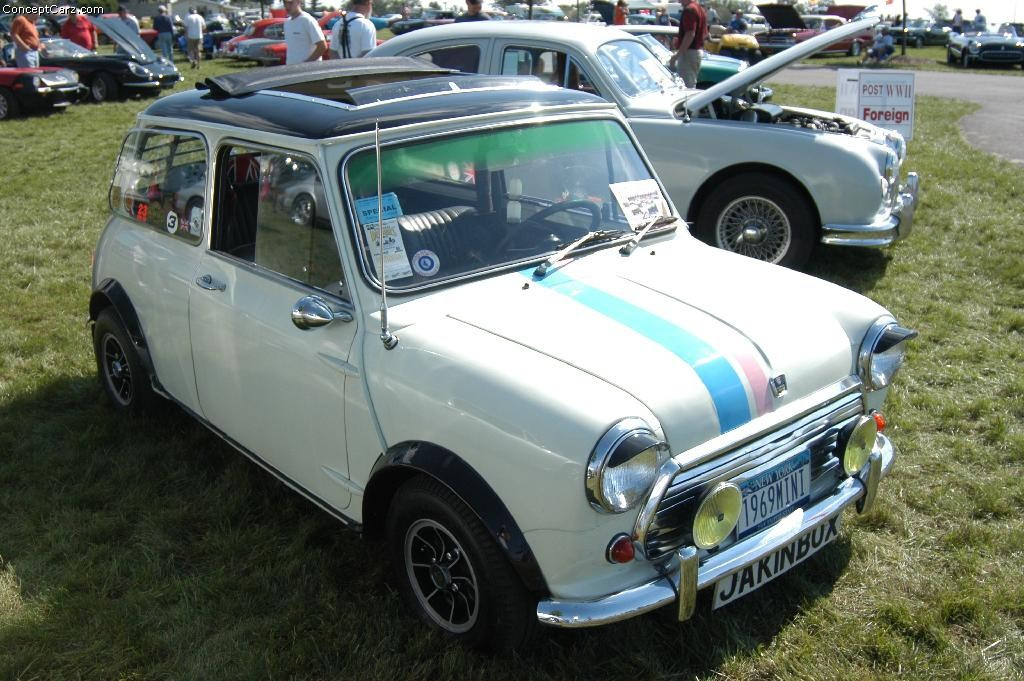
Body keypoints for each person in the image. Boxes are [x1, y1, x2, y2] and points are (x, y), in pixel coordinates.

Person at [672, 0, 707, 88]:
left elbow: (690, 34)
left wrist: (677, 55)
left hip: (689, 52)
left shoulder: (690, 10)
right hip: (696, 51)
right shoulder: (700, 9)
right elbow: (705, 34)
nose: (679, 2)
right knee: (690, 84)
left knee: (686, 87)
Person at [284, 0, 327, 64]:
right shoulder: (287, 23)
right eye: (285, 3)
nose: (287, 6)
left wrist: (306, 64)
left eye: (290, 2)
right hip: (291, 71)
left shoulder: (307, 20)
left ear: (298, 2)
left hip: (308, 71)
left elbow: (322, 46)